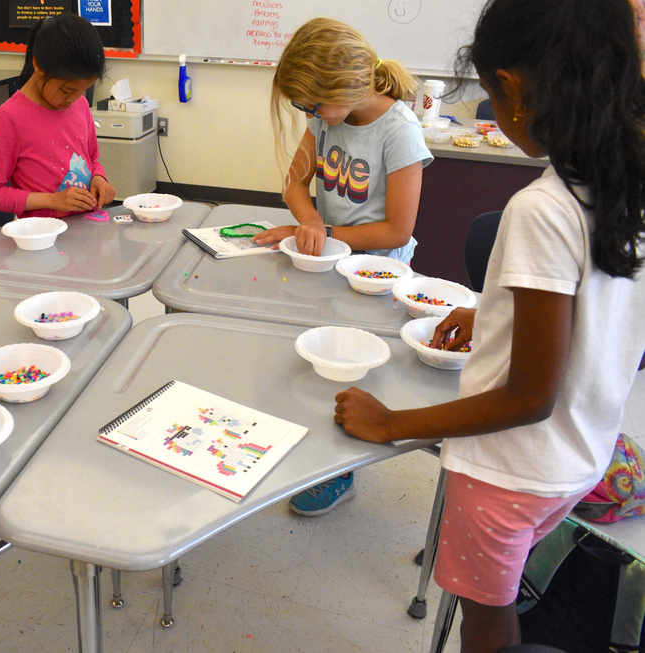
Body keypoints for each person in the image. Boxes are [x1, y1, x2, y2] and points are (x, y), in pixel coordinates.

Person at [333, 0, 645, 650]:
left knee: (486, 618)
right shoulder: (623, 183)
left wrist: (392, 424)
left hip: (507, 475)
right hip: (579, 458)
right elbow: (599, 307)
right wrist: (496, 309)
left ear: (516, 89)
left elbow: (529, 397)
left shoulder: (541, 209)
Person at [252, 17, 433, 517]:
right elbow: (294, 184)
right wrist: (308, 218)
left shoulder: (399, 132)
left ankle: (339, 470)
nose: (310, 115)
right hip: (330, 268)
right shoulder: (326, 117)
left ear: (349, 87)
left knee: (353, 379)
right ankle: (316, 454)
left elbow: (397, 230)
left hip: (377, 279)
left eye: (313, 105)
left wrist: (323, 233)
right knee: (320, 363)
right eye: (303, 107)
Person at [0, 13, 115, 219]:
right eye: (67, 91)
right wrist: (53, 200)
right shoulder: (10, 117)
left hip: (84, 227)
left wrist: (98, 178)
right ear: (38, 65)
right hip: (43, 238)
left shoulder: (80, 104)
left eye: (83, 90)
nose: (74, 99)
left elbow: (92, 158)